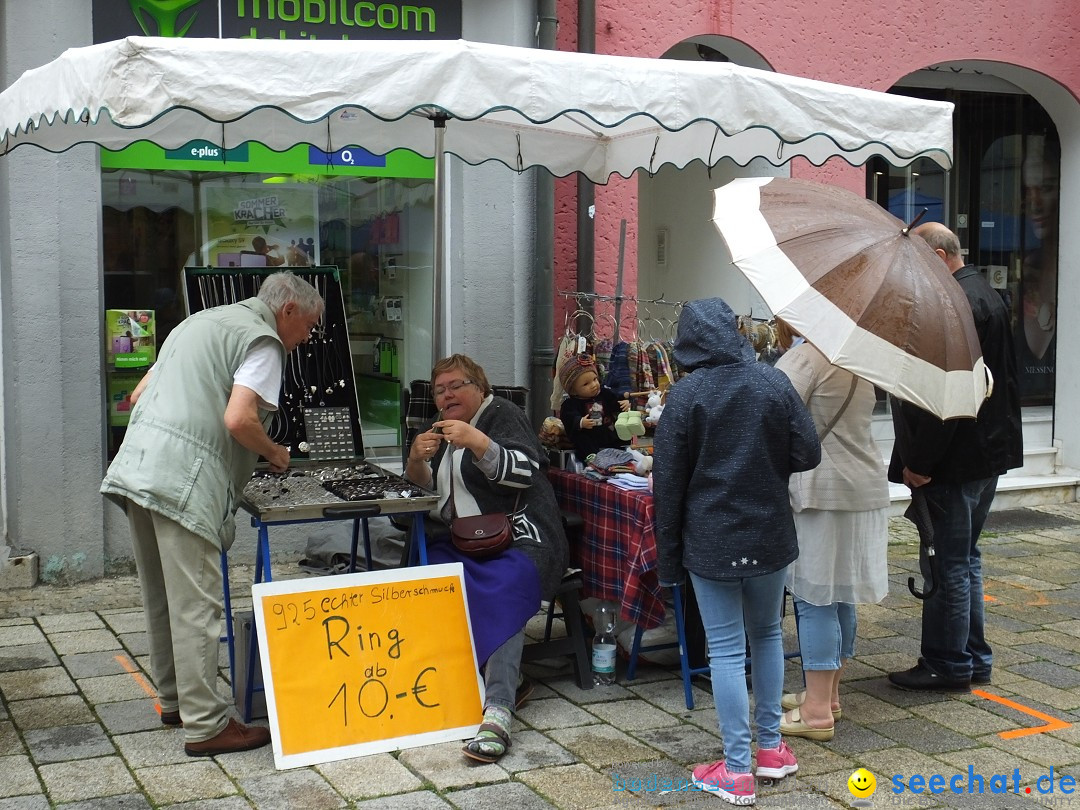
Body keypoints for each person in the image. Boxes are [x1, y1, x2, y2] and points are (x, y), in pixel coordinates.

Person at [100, 271, 324, 756]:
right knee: (198, 606)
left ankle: (176, 701)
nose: (307, 339)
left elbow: (138, 396)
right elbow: (238, 418)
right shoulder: (264, 342)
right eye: (307, 326)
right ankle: (207, 726)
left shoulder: (197, 323)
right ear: (286, 311)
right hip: (184, 480)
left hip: (138, 467)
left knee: (162, 597)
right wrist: (274, 452)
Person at [653, 298, 820, 805]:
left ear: (687, 343)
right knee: (768, 634)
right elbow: (808, 452)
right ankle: (770, 751)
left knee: (726, 650)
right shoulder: (773, 381)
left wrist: (668, 561)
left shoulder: (685, 396)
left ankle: (736, 767)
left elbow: (668, 487)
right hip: (769, 535)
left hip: (711, 540)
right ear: (735, 332)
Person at [404, 354, 569, 763]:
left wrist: (477, 441)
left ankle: (498, 709)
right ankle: (446, 685)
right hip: (464, 539)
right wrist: (415, 461)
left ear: (480, 387)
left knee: (500, 588)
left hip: (520, 536)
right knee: (421, 578)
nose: (447, 394)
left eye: (457, 385)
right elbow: (433, 500)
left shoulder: (502, 414)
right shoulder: (439, 430)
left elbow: (527, 472)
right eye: (440, 390)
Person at [887, 223, 1023, 692]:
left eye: (920, 264)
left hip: (955, 457)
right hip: (982, 453)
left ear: (941, 256)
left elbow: (946, 397)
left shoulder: (955, 303)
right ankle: (972, 656)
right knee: (964, 558)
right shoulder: (982, 292)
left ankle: (947, 661)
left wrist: (920, 462)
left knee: (947, 562)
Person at [775, 325, 889, 741]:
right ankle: (830, 694)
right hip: (862, 484)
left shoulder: (806, 357)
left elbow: (772, 412)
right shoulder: (860, 359)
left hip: (822, 489)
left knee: (814, 595)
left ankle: (817, 711)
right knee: (839, 593)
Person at [558, 352, 630, 463]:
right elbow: (568, 417)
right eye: (586, 384)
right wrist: (581, 422)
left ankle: (624, 454)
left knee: (621, 432)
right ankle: (591, 458)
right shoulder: (571, 403)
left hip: (607, 432)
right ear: (573, 390)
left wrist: (623, 404)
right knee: (581, 439)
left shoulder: (604, 394)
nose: (593, 385)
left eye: (595, 379)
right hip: (589, 435)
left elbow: (615, 402)